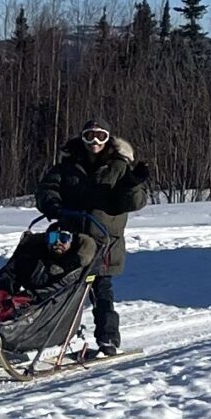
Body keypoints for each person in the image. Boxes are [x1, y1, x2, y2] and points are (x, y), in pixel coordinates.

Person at [25, 120, 151, 355]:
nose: (94, 142)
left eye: (100, 136)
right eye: (89, 136)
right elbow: (46, 189)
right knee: (57, 285)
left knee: (101, 290)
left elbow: (132, 203)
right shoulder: (68, 165)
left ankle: (108, 339)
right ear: (81, 138)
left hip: (104, 242)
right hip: (71, 239)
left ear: (108, 139)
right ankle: (46, 333)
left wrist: (133, 184)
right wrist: (53, 205)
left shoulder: (119, 167)